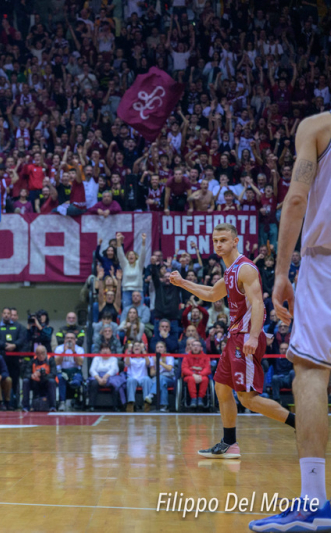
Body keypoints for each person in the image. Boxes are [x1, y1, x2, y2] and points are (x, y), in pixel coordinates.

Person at [251, 112, 331, 531]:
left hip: (327, 264)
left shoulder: (317, 127)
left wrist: (281, 273)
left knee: (312, 371)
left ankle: (314, 502)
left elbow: (297, 199)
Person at [170, 223, 295, 460]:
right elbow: (211, 294)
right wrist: (183, 283)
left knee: (248, 398)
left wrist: (253, 336)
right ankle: (229, 444)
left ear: (235, 241)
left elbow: (258, 304)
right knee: (221, 387)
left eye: (223, 240)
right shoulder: (229, 271)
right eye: (215, 240)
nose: (218, 244)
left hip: (246, 336)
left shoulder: (245, 269)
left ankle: (300, 425)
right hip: (235, 337)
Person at [22, 345, 57, 412]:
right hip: (35, 382)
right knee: (25, 381)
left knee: (52, 381)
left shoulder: (51, 360)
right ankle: (25, 406)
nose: (40, 355)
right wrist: (32, 376)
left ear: (46, 352)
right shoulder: (32, 361)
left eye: (42, 353)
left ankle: (53, 406)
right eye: (38, 353)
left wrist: (42, 377)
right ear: (36, 354)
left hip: (46, 382)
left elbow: (53, 374)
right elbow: (26, 374)